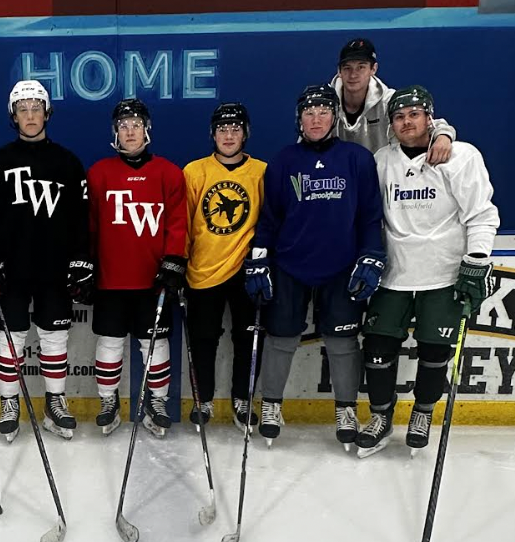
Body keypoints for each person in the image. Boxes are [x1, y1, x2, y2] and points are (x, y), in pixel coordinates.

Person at [355, 86, 499, 457]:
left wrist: (476, 260)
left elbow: (481, 214)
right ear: (391, 124)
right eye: (399, 117)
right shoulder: (382, 160)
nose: (407, 122)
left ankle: (422, 412)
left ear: (429, 118)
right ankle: (381, 416)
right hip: (394, 274)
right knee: (377, 349)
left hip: (443, 273)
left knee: (436, 350)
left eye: (414, 115)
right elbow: (369, 215)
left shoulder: (461, 156)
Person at [244, 84, 384, 450]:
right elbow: (269, 219)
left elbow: (370, 216)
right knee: (281, 337)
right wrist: (258, 259)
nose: (316, 119)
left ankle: (346, 408)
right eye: (309, 113)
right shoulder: (283, 161)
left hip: (342, 267)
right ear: (299, 119)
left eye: (324, 112)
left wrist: (372, 255)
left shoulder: (357, 159)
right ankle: (272, 404)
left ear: (335, 117)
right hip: (290, 265)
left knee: (342, 341)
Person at [0, 80, 92, 442]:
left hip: (54, 267)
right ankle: (10, 403)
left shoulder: (68, 162)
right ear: (14, 116)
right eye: (22, 110)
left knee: (55, 337)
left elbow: (80, 218)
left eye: (36, 108)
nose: (30, 115)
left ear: (47, 113)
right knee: (10, 338)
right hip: (11, 270)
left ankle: (55, 402)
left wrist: (81, 259)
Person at [86, 98, 187, 437]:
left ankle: (157, 401)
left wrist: (174, 261)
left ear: (147, 130)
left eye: (136, 125)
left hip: (152, 279)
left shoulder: (169, 173)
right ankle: (108, 401)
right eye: (123, 126)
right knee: (110, 342)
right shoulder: (98, 173)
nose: (130, 131)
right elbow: (90, 225)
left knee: (155, 343)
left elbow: (178, 222)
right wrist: (86, 263)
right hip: (110, 279)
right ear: (115, 132)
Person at [182, 102, 267, 430]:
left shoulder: (261, 171)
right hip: (203, 270)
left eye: (235, 129)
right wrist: (180, 263)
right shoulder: (194, 171)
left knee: (248, 339)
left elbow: (270, 221)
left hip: (246, 270)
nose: (228, 135)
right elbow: (184, 222)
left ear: (245, 133)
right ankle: (203, 398)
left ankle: (243, 398)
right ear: (213, 134)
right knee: (203, 338)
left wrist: (265, 261)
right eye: (222, 129)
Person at [331, 37, 456, 163]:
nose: (353, 75)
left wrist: (443, 137)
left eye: (361, 67)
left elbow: (428, 123)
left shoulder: (390, 101)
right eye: (347, 68)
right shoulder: (327, 103)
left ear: (373, 69)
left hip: (382, 170)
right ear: (339, 71)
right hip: (339, 172)